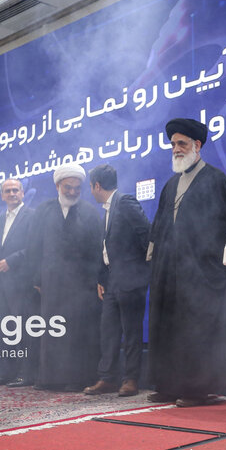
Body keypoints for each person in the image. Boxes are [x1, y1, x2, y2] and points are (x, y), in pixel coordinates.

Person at [147, 118, 226, 407]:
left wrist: (208, 262)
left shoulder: (215, 179)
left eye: (182, 143)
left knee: (196, 329)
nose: (176, 149)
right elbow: (159, 227)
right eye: (173, 144)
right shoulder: (170, 184)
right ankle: (169, 385)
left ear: (197, 145)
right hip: (169, 271)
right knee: (168, 326)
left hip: (201, 272)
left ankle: (198, 389)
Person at [27, 163, 103, 391]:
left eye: (76, 188)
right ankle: (50, 378)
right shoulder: (43, 210)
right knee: (52, 329)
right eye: (68, 187)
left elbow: (97, 249)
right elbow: (33, 247)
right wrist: (36, 279)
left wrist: (96, 280)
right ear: (58, 186)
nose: (72, 192)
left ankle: (76, 379)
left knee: (77, 331)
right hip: (51, 282)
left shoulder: (90, 212)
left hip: (81, 284)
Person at [83, 164, 151, 398]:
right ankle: (108, 378)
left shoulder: (125, 202)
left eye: (90, 187)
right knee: (109, 331)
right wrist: (102, 278)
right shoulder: (107, 210)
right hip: (112, 281)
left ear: (97, 185)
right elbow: (107, 249)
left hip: (131, 280)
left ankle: (131, 379)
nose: (91, 191)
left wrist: (140, 270)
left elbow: (147, 235)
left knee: (131, 332)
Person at [0, 179, 37, 386]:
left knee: (23, 329)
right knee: (3, 329)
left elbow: (34, 247)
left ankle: (26, 374)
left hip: (22, 282)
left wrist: (11, 261)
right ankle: (7, 373)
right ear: (2, 196)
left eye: (16, 190)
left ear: (23, 193)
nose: (12, 193)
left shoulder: (32, 216)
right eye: (7, 191)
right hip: (0, 283)